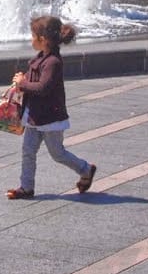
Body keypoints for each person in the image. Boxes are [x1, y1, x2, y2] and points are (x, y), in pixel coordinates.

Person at [6, 15, 96, 200]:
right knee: (28, 151)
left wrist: (23, 83)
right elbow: (35, 83)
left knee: (57, 153)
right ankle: (26, 187)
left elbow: (43, 88)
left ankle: (86, 169)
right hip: (35, 116)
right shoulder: (40, 59)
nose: (31, 39)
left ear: (43, 40)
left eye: (33, 36)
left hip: (50, 118)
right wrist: (23, 80)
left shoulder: (53, 62)